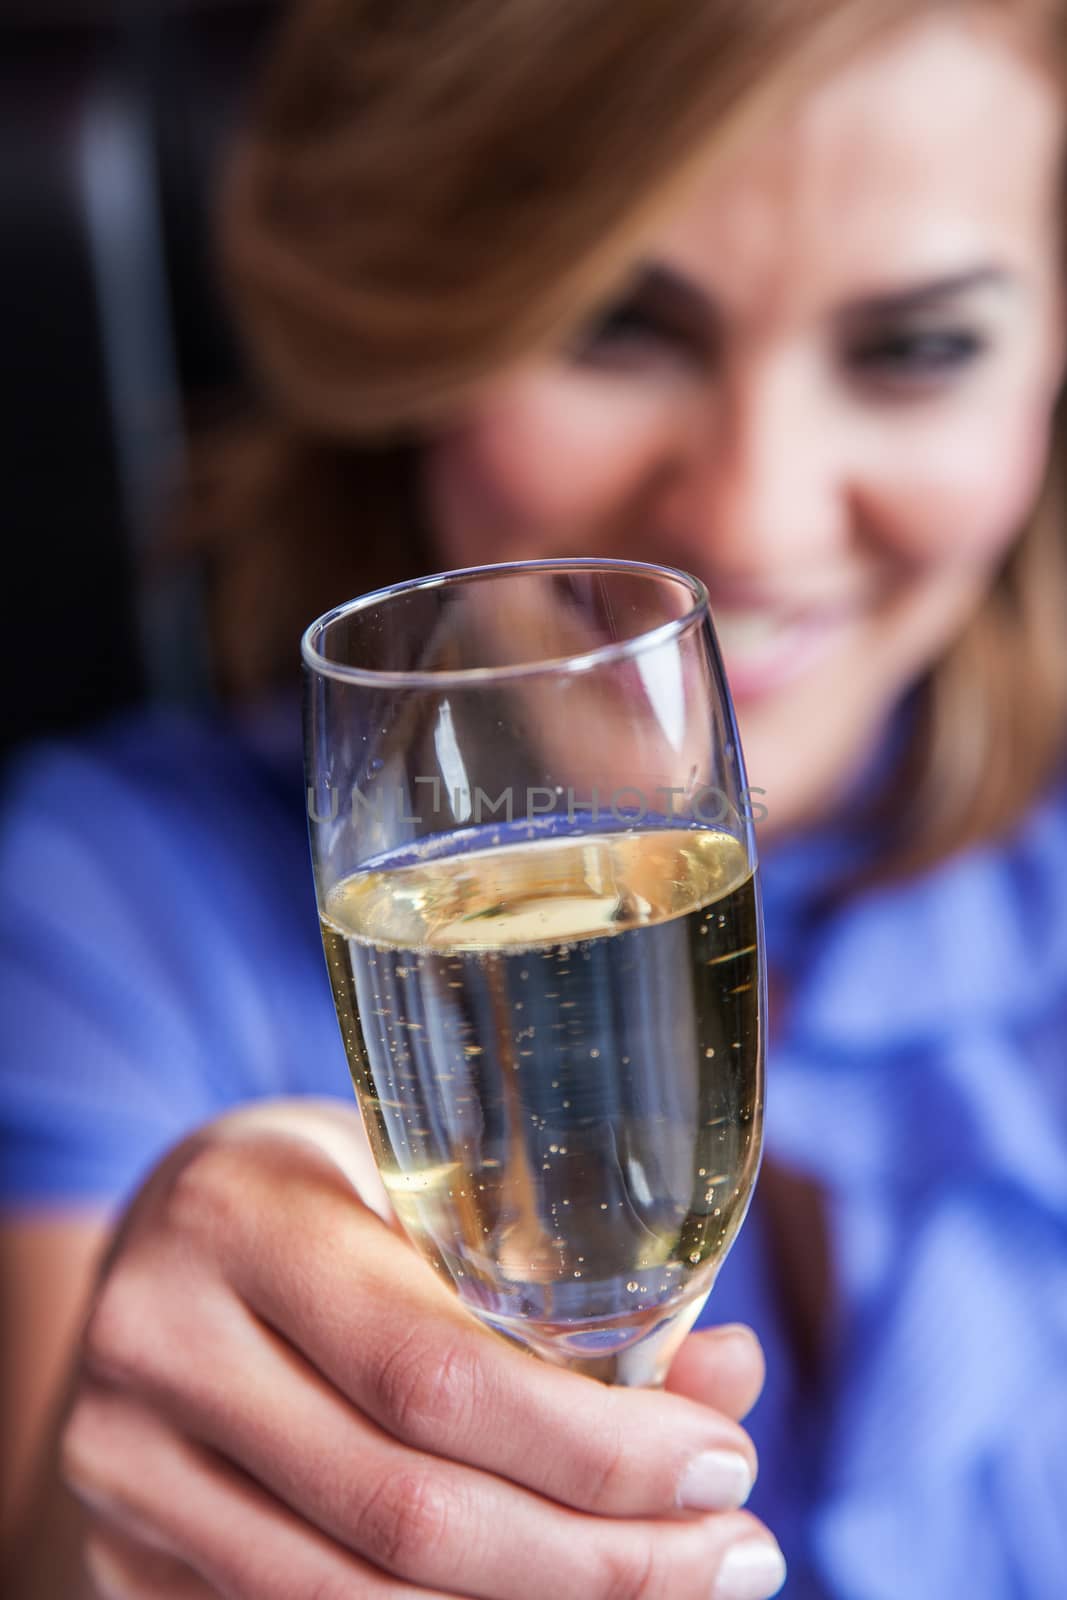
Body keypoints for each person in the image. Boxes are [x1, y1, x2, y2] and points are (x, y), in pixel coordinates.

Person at [4, 0, 1067, 1595]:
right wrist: (118, 1543)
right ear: (409, 320)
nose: (754, 523)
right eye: (615, 323)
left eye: (916, 349)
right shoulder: (104, 912)